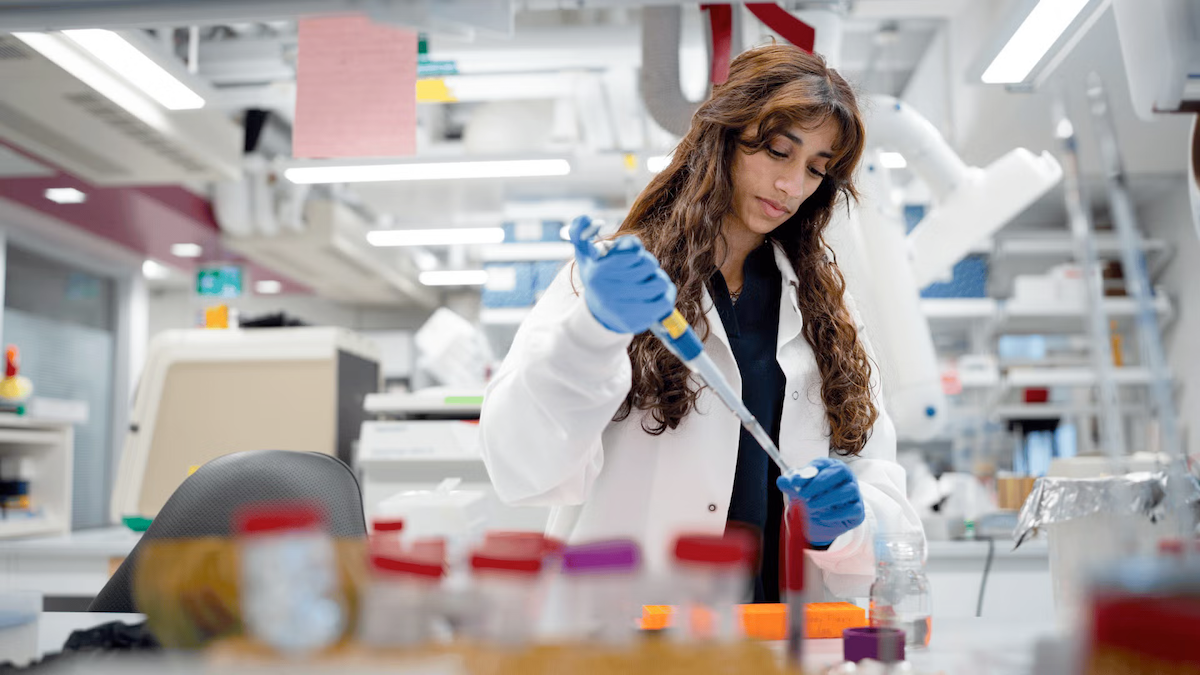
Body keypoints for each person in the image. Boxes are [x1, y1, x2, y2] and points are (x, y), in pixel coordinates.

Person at [480, 44, 923, 601]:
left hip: (779, 633)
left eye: (815, 168)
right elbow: (522, 464)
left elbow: (881, 489)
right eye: (778, 152)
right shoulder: (616, 280)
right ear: (724, 139)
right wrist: (593, 330)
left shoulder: (826, 311)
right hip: (637, 629)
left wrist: (851, 525)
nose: (792, 185)